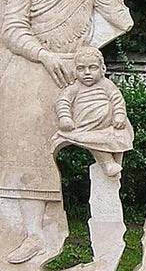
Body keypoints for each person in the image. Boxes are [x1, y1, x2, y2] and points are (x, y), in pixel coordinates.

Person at [0, 0, 133, 263]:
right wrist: (44, 54)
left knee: (103, 136)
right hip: (32, 74)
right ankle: (33, 234)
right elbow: (11, 29)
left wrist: (84, 50)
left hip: (79, 74)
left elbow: (122, 19)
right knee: (31, 151)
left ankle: (105, 245)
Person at [51, 46, 134, 177]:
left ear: (103, 69)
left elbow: (117, 100)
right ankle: (107, 163)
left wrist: (119, 115)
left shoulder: (107, 84)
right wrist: (65, 118)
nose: (87, 72)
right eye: (81, 68)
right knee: (93, 141)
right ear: (74, 71)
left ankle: (115, 164)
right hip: (84, 127)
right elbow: (62, 102)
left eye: (93, 67)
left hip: (108, 126)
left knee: (116, 138)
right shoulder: (74, 88)